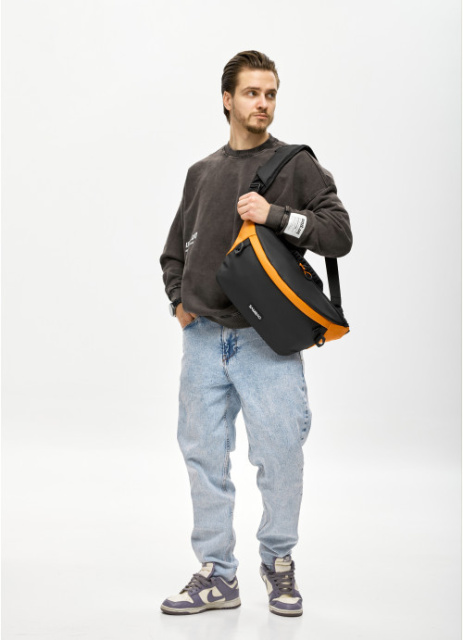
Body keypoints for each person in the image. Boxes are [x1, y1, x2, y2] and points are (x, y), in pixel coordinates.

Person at [159, 50, 352, 617]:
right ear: (227, 99)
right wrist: (179, 302)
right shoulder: (201, 172)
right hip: (202, 341)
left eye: (270, 94)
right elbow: (174, 250)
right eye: (251, 93)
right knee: (204, 458)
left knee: (281, 456)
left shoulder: (295, 164)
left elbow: (339, 234)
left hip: (266, 342)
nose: (262, 104)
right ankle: (218, 575)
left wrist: (276, 216)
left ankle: (278, 562)